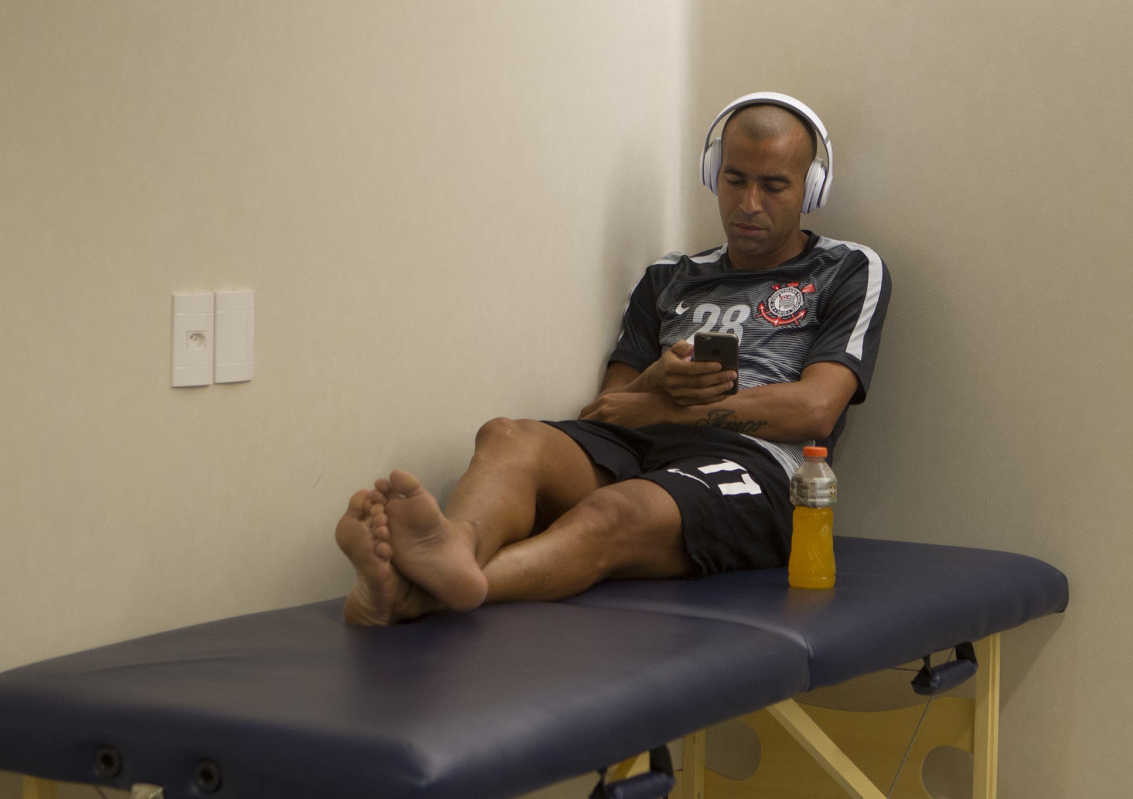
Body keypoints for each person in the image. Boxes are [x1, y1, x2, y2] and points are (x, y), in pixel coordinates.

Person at [335, 93, 891, 626]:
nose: (749, 204)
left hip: (761, 468)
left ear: (811, 188)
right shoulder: (668, 275)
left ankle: (417, 598)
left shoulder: (846, 269)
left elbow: (817, 408)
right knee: (507, 435)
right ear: (712, 174)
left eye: (774, 186)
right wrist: (656, 380)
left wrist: (669, 412)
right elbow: (605, 412)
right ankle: (453, 546)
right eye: (735, 179)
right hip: (644, 444)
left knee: (612, 515)